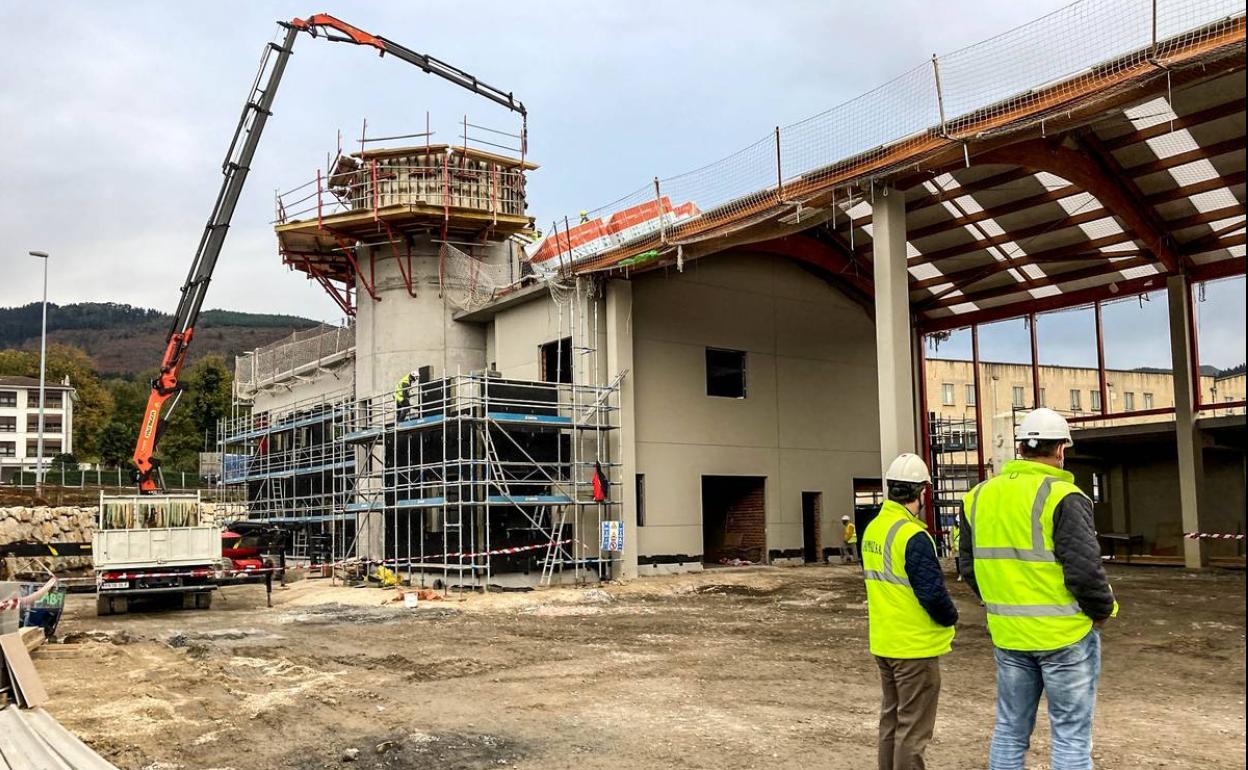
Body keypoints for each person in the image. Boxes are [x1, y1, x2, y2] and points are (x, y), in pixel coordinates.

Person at [958, 407, 1118, 770]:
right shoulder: (1064, 495)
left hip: (1009, 636)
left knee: (1010, 730)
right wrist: (1102, 611)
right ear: (1061, 449)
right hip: (1065, 637)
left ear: (1020, 447)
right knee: (1070, 736)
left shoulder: (979, 496)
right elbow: (1085, 571)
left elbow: (968, 566)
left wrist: (999, 601)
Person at [864, 453, 958, 770]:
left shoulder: (873, 530)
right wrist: (952, 617)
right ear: (921, 492)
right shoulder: (913, 535)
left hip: (885, 641)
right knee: (913, 730)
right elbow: (932, 595)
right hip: (913, 648)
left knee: (891, 720)